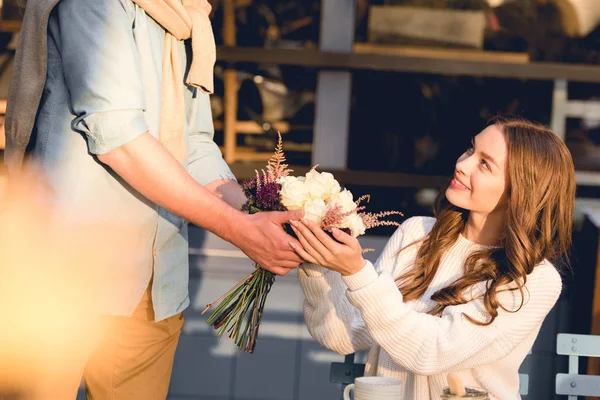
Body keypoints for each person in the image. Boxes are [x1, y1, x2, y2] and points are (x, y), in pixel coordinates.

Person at [5, 0, 303, 398]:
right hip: (70, 275)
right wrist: (240, 229)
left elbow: (193, 144)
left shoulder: (185, 16)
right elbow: (118, 138)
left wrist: (258, 210)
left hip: (156, 282)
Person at [289, 116, 575, 399]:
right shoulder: (416, 234)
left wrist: (356, 273)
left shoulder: (532, 279)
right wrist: (315, 258)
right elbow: (346, 335)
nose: (462, 165)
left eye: (485, 164)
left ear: (520, 193)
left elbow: (431, 351)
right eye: (470, 150)